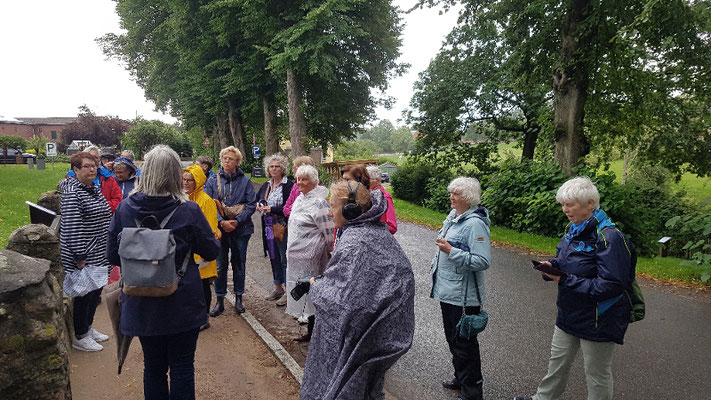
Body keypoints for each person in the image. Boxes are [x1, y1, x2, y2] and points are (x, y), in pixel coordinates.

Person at [106, 145, 220, 400]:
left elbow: (112, 254)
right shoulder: (188, 210)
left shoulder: (125, 209)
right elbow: (211, 251)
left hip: (141, 298)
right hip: (182, 299)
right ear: (174, 174)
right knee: (181, 367)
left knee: (153, 367)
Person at [514, 177, 636, 400]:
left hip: (601, 317)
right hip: (570, 312)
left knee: (597, 374)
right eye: (563, 204)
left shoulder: (611, 238)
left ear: (590, 203)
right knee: (557, 364)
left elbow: (611, 286)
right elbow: (568, 260)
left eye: (570, 204)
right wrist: (553, 266)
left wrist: (565, 280)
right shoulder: (574, 229)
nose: (565, 210)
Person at [300, 179, 415, 399]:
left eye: (332, 207)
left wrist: (316, 286)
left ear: (349, 210)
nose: (329, 212)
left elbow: (343, 301)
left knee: (348, 389)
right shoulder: (376, 233)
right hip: (375, 336)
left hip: (358, 337)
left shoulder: (355, 242)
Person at [431, 177, 491, 400]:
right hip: (449, 291)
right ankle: (461, 377)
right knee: (454, 339)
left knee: (465, 344)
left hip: (464, 296)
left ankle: (472, 391)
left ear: (467, 197)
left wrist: (450, 251)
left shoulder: (474, 223)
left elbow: (482, 261)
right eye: (452, 193)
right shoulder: (454, 217)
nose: (451, 197)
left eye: (455, 194)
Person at [59, 152, 112, 352]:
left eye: (94, 166)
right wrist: (80, 256)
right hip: (84, 254)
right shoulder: (73, 193)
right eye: (87, 166)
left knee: (95, 292)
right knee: (83, 295)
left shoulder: (92, 188)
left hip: (99, 252)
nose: (92, 169)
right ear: (76, 170)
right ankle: (80, 336)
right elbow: (72, 227)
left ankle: (88, 328)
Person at [204, 146, 256, 315]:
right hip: (220, 231)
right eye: (225, 158)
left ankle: (239, 298)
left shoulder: (246, 181)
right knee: (220, 266)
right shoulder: (212, 180)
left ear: (237, 162)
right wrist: (221, 222)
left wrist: (237, 221)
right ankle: (219, 300)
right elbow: (210, 204)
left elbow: (251, 204)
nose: (227, 161)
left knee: (239, 263)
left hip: (241, 229)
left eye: (231, 159)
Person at [285, 165, 334, 340]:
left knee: (313, 293)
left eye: (304, 179)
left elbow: (329, 231)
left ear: (314, 181)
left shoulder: (319, 202)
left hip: (312, 256)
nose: (300, 182)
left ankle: (316, 335)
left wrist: (330, 251)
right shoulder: (299, 199)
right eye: (298, 179)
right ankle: (310, 333)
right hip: (296, 257)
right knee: (302, 293)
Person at [182, 165, 221, 331]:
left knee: (203, 286)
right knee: (190, 287)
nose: (186, 183)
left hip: (202, 252)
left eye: (189, 180)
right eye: (183, 179)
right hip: (187, 252)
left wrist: (205, 252)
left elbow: (211, 229)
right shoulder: (183, 198)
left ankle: (204, 317)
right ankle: (193, 316)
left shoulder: (206, 201)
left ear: (198, 181)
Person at [255, 154, 294, 305]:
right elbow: (259, 199)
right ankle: (278, 288)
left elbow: (288, 207)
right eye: (271, 166)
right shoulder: (266, 185)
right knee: (273, 256)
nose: (274, 169)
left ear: (283, 168)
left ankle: (289, 291)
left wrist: (273, 209)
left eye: (277, 166)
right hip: (268, 226)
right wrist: (259, 205)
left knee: (284, 258)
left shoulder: (288, 185)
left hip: (282, 227)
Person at [67, 146, 122, 212]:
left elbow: (118, 199)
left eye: (96, 157)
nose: (93, 160)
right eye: (90, 157)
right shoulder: (72, 179)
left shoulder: (108, 178)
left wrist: (101, 209)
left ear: (99, 160)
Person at [366, 165, 397, 234]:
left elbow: (392, 227)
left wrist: (373, 230)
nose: (365, 182)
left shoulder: (385, 197)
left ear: (378, 181)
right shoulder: (364, 195)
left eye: (368, 179)